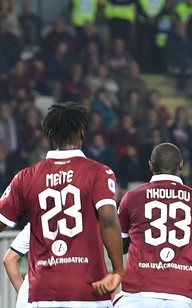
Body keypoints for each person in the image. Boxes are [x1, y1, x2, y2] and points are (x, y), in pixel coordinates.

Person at [0, 102, 124, 306]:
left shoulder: (25, 178)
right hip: (88, 290)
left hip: (42, 292)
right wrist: (118, 270)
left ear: (50, 136)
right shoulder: (99, 172)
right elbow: (109, 220)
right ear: (82, 133)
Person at [114, 142, 192, 307]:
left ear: (150, 166)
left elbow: (118, 247)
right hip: (181, 296)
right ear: (181, 164)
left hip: (137, 294)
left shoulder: (132, 198)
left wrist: (140, 234)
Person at [3, 223, 30, 308]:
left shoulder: (35, 223)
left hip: (33, 295)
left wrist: (23, 293)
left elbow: (9, 260)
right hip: (67, 294)